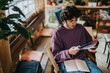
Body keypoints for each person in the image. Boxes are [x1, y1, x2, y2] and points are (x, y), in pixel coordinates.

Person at [52, 5, 102, 73]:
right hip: (66, 62)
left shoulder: (80, 28)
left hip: (82, 59)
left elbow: (90, 44)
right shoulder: (57, 32)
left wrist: (94, 43)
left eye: (76, 20)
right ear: (64, 20)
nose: (74, 23)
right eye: (71, 21)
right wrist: (68, 52)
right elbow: (56, 56)